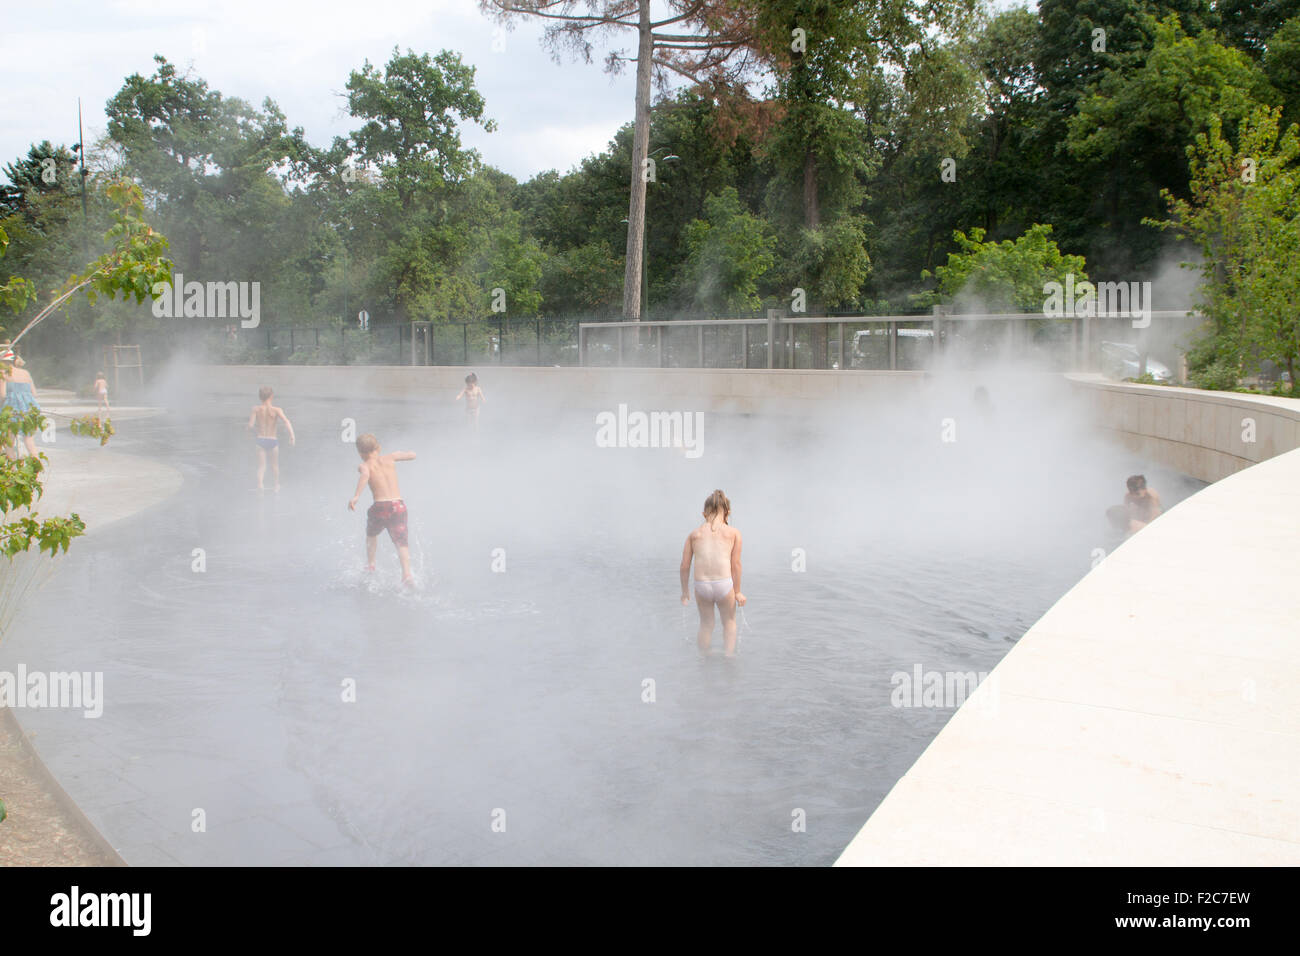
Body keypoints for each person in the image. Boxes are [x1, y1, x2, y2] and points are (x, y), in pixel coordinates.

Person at [679, 489, 746, 657]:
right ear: (728, 513)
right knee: (729, 622)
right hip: (724, 584)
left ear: (703, 514)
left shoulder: (694, 535)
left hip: (701, 586)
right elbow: (736, 564)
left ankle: (703, 658)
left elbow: (684, 566)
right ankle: (729, 656)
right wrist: (737, 592)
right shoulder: (733, 533)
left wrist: (685, 592)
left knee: (706, 625)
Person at [348, 433, 416, 586]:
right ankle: (406, 574)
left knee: (371, 534)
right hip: (398, 506)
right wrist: (407, 454)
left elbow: (365, 475)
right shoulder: (390, 457)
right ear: (378, 448)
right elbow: (412, 455)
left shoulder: (364, 465)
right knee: (401, 542)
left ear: (360, 453)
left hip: (379, 507)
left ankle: (371, 564)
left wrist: (356, 496)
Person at [245, 386, 295, 492]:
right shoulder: (276, 410)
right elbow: (286, 421)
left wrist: (247, 433)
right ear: (272, 396)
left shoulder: (256, 409)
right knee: (274, 465)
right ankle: (276, 486)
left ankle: (260, 485)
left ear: (260, 397)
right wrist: (292, 436)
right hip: (272, 440)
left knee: (262, 466)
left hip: (260, 440)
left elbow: (251, 425)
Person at [0, 344, 41, 459]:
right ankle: (36, 466)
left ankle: (13, 471)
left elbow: (2, 395)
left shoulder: (3, 373)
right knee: (29, 440)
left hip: (11, 410)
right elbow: (34, 394)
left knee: (9, 442)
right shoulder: (26, 373)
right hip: (28, 409)